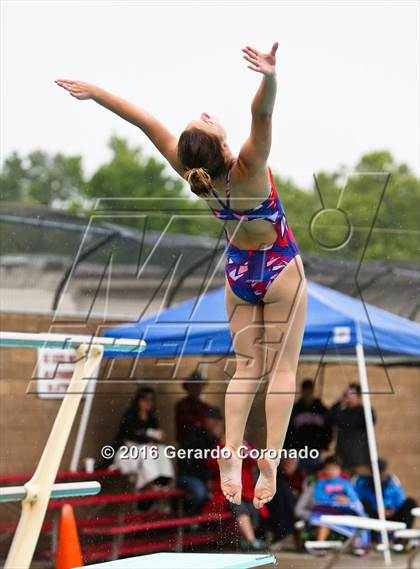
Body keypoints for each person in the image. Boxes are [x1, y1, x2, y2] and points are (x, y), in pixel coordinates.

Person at [56, 41, 308, 509]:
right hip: (277, 266)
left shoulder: (195, 174)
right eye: (204, 121)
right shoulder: (248, 167)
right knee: (283, 368)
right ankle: (270, 455)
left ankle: (231, 453)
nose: (207, 113)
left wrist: (95, 92)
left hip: (238, 271)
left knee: (248, 367)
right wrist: (269, 77)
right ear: (220, 146)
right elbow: (263, 115)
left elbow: (144, 122)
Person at [111, 387, 175, 492]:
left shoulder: (152, 418)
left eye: (151, 400)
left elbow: (156, 437)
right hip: (128, 452)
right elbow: (129, 435)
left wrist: (158, 437)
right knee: (146, 451)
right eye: (145, 400)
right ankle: (151, 483)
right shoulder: (130, 415)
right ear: (138, 401)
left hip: (146, 450)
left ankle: (164, 481)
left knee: (162, 450)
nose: (148, 403)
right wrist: (147, 436)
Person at [308, 456, 368, 554]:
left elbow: (354, 498)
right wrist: (334, 499)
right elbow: (319, 498)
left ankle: (357, 545)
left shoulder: (345, 483)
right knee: (324, 522)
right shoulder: (320, 483)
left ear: (339, 470)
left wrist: (347, 500)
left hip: (343, 512)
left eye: (334, 468)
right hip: (326, 511)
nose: (331, 471)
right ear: (325, 470)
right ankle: (319, 546)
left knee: (356, 521)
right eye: (329, 468)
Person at [177, 406, 224, 515]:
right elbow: (196, 464)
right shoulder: (196, 436)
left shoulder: (214, 438)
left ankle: (202, 521)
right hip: (189, 475)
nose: (216, 423)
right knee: (200, 493)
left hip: (203, 477)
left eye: (218, 420)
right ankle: (190, 519)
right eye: (213, 419)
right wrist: (206, 478)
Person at [355, 458, 418, 532]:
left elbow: (400, 500)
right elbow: (359, 501)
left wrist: (392, 510)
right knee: (364, 503)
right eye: (378, 472)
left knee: (411, 502)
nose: (381, 475)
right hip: (374, 517)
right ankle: (372, 536)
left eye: (382, 472)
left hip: (392, 515)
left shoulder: (392, 483)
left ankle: (403, 535)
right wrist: (378, 511)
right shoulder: (363, 484)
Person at [285, 379, 332, 473]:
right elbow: (288, 430)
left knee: (315, 474)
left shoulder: (321, 410)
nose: (307, 393)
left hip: (316, 449)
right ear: (302, 391)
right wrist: (290, 448)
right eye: (305, 390)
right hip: (298, 450)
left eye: (309, 390)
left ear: (312, 391)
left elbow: (328, 429)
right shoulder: (295, 409)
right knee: (299, 475)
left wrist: (324, 445)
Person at [328, 383, 375, 474]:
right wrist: (340, 401)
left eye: (351, 394)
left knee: (360, 485)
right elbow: (328, 419)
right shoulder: (342, 413)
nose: (348, 396)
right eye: (347, 394)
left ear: (358, 396)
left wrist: (364, 401)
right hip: (343, 460)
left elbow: (372, 420)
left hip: (361, 460)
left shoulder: (363, 412)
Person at [175, 370, 210, 444]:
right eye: (193, 385)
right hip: (187, 444)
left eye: (198, 385)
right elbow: (188, 425)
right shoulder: (182, 405)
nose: (196, 388)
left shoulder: (205, 407)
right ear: (188, 387)